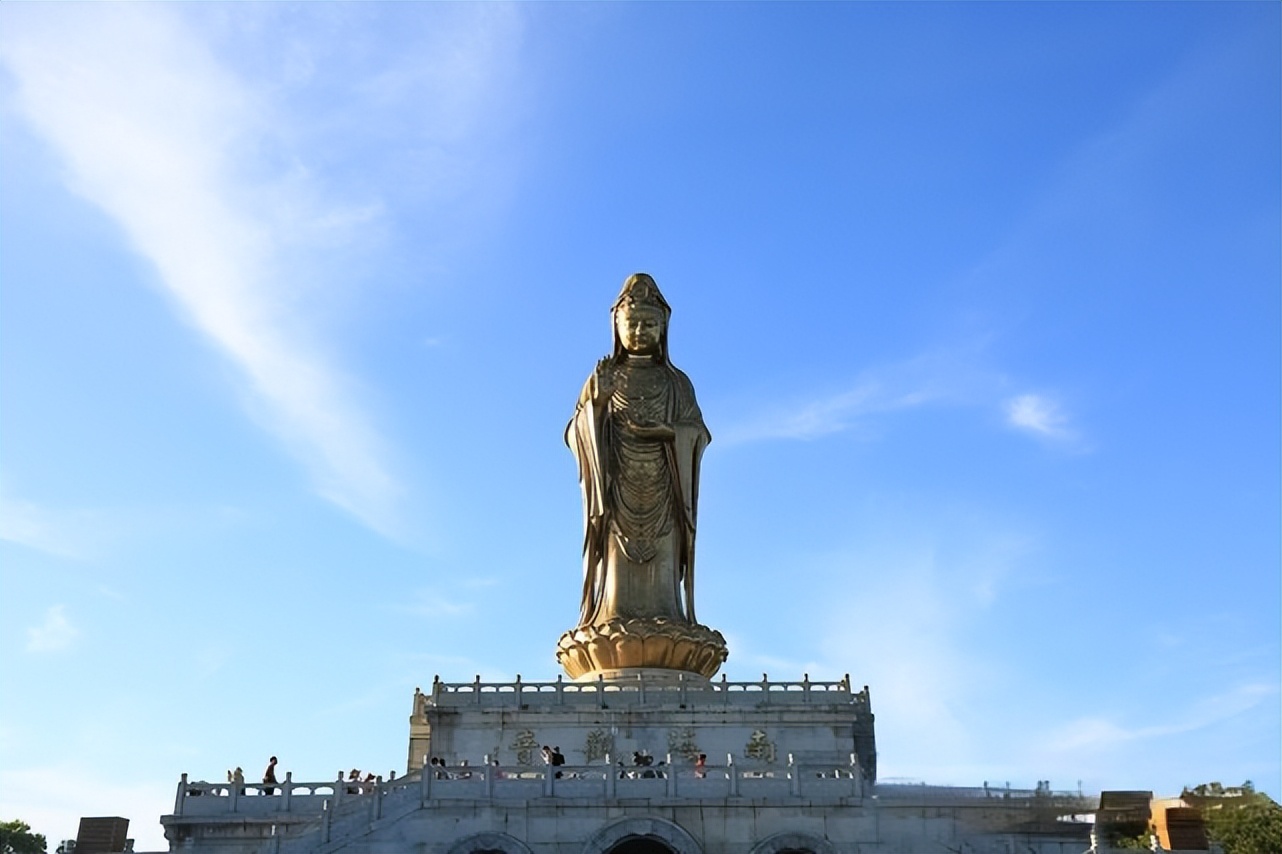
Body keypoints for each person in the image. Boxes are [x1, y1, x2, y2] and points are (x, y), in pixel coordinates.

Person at [568, 273, 710, 630]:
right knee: (617, 572)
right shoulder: (604, 377)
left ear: (663, 329)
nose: (640, 331)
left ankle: (669, 616)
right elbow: (576, 432)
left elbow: (697, 434)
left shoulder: (676, 383)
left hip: (665, 489)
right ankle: (612, 615)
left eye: (649, 324)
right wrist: (596, 407)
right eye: (632, 324)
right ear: (616, 326)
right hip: (616, 493)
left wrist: (664, 431)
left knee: (662, 568)